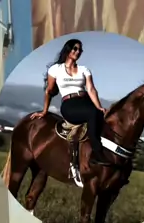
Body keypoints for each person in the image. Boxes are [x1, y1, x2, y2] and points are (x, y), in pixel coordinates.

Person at [31, 38, 112, 166]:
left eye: (80, 50)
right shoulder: (55, 69)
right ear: (68, 50)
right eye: (75, 48)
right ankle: (96, 154)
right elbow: (49, 91)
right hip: (69, 104)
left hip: (85, 101)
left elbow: (91, 89)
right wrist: (44, 111)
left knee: (102, 115)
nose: (78, 52)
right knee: (92, 113)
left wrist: (99, 107)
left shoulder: (84, 69)